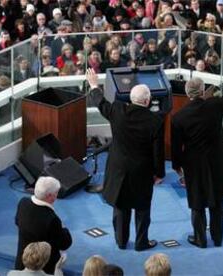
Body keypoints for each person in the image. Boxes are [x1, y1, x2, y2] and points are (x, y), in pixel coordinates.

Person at [171, 54, 223, 248]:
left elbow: (175, 146)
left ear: (188, 93)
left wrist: (177, 167)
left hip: (194, 164)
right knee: (217, 200)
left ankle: (200, 239)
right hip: (217, 161)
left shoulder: (178, 117)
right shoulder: (214, 106)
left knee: (197, 202)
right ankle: (217, 238)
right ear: (204, 90)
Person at [85, 68, 165, 251]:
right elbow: (158, 152)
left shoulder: (118, 111)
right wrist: (159, 173)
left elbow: (100, 102)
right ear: (147, 101)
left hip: (119, 170)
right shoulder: (155, 121)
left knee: (121, 206)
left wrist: (94, 85)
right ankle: (141, 242)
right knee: (143, 208)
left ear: (131, 99)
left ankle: (121, 241)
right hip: (142, 172)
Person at [14, 176, 72, 274]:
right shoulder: (52, 219)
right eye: (56, 193)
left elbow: (17, 221)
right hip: (43, 267)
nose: (56, 196)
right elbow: (65, 243)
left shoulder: (23, 202)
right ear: (50, 196)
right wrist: (63, 227)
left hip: (22, 263)